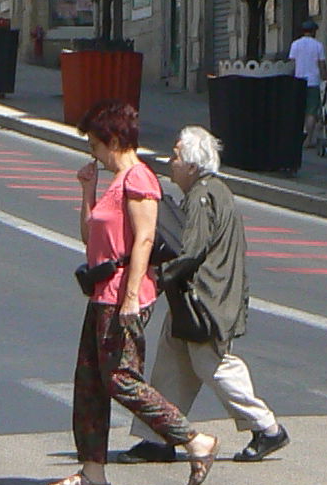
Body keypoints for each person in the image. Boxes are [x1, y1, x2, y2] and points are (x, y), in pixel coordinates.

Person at [47, 99, 217, 485]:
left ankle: (193, 440)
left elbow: (143, 239)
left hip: (125, 294)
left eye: (94, 143)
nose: (93, 152)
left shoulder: (139, 180)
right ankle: (93, 470)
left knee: (122, 378)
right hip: (101, 292)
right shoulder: (113, 183)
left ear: (114, 140)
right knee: (90, 381)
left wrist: (129, 299)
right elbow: (91, 237)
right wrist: (87, 192)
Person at [122, 127, 290, 465]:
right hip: (197, 300)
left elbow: (189, 251)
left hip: (205, 302)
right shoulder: (214, 192)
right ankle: (158, 436)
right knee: (172, 365)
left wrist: (152, 280)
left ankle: (266, 427)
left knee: (213, 364)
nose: (171, 163)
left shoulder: (202, 196)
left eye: (176, 157)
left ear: (194, 165)